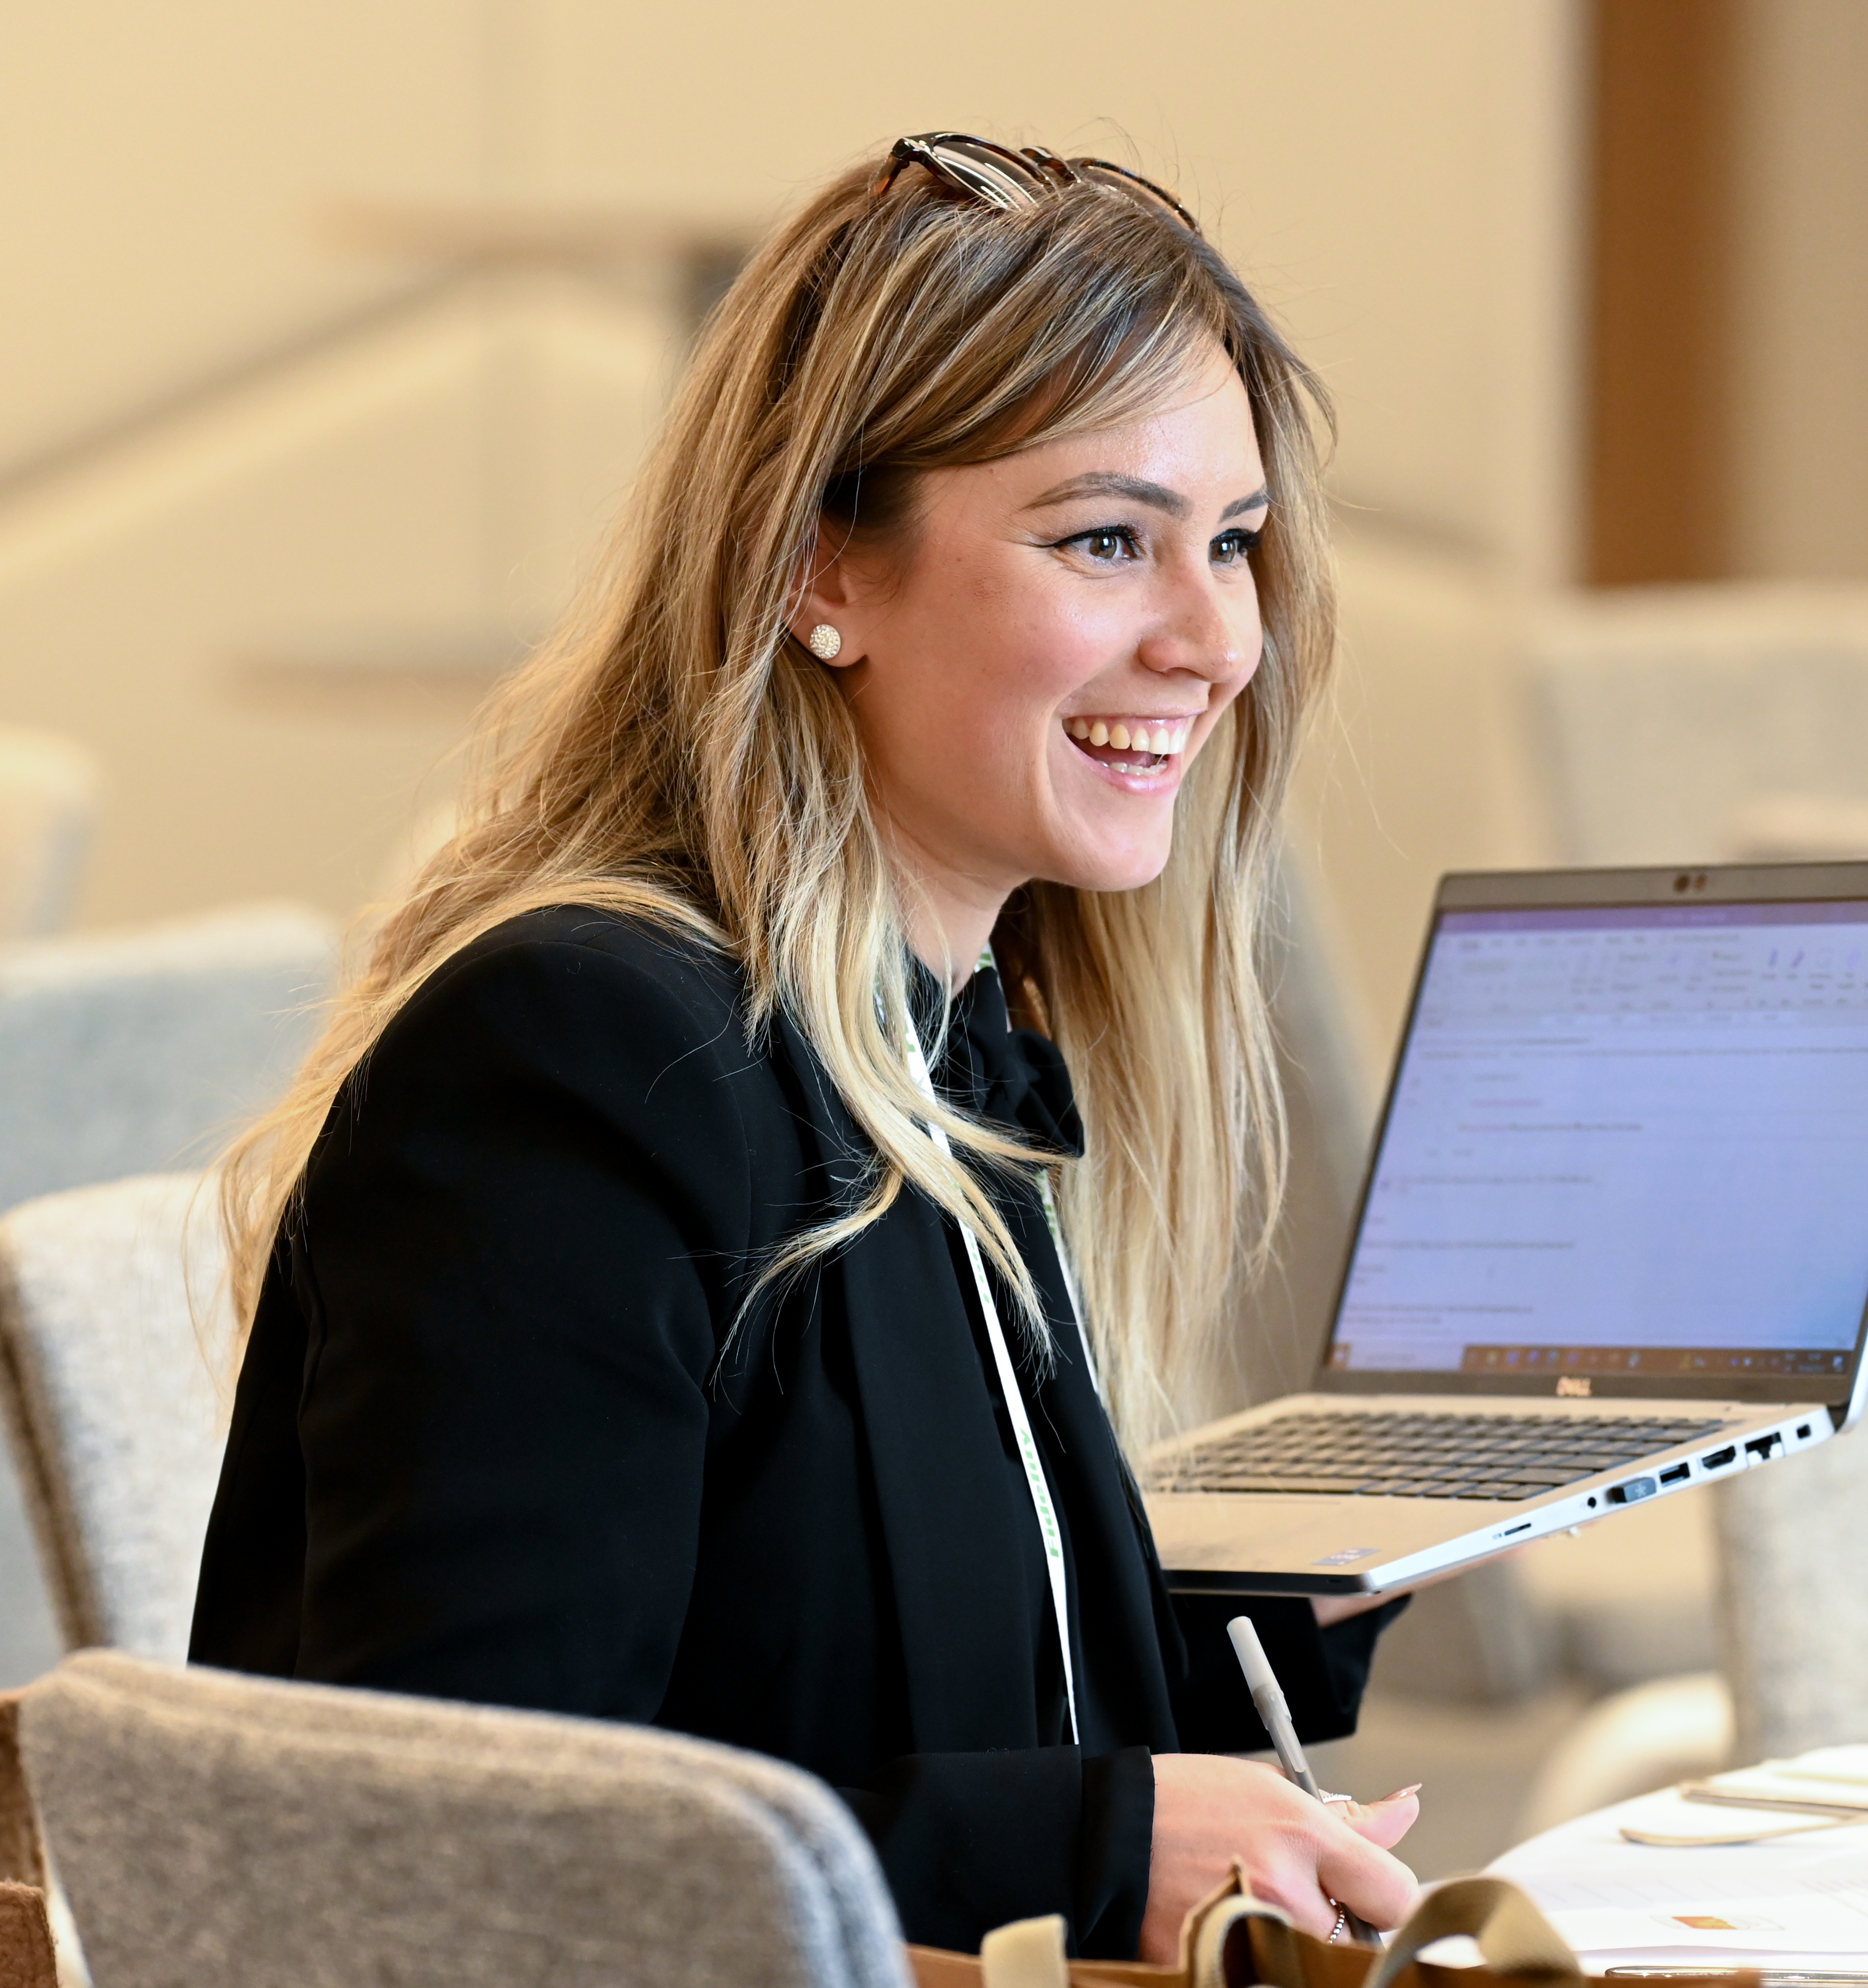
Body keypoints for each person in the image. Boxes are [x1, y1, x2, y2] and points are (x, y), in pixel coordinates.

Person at [188, 133, 1422, 1961]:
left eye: (1232, 545)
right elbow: (469, 1844)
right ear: (818, 569)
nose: (1213, 640)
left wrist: (1327, 1569)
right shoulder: (585, 1059)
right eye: (1108, 540)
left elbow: (891, 1666)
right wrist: (1103, 1841)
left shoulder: (952, 1041)